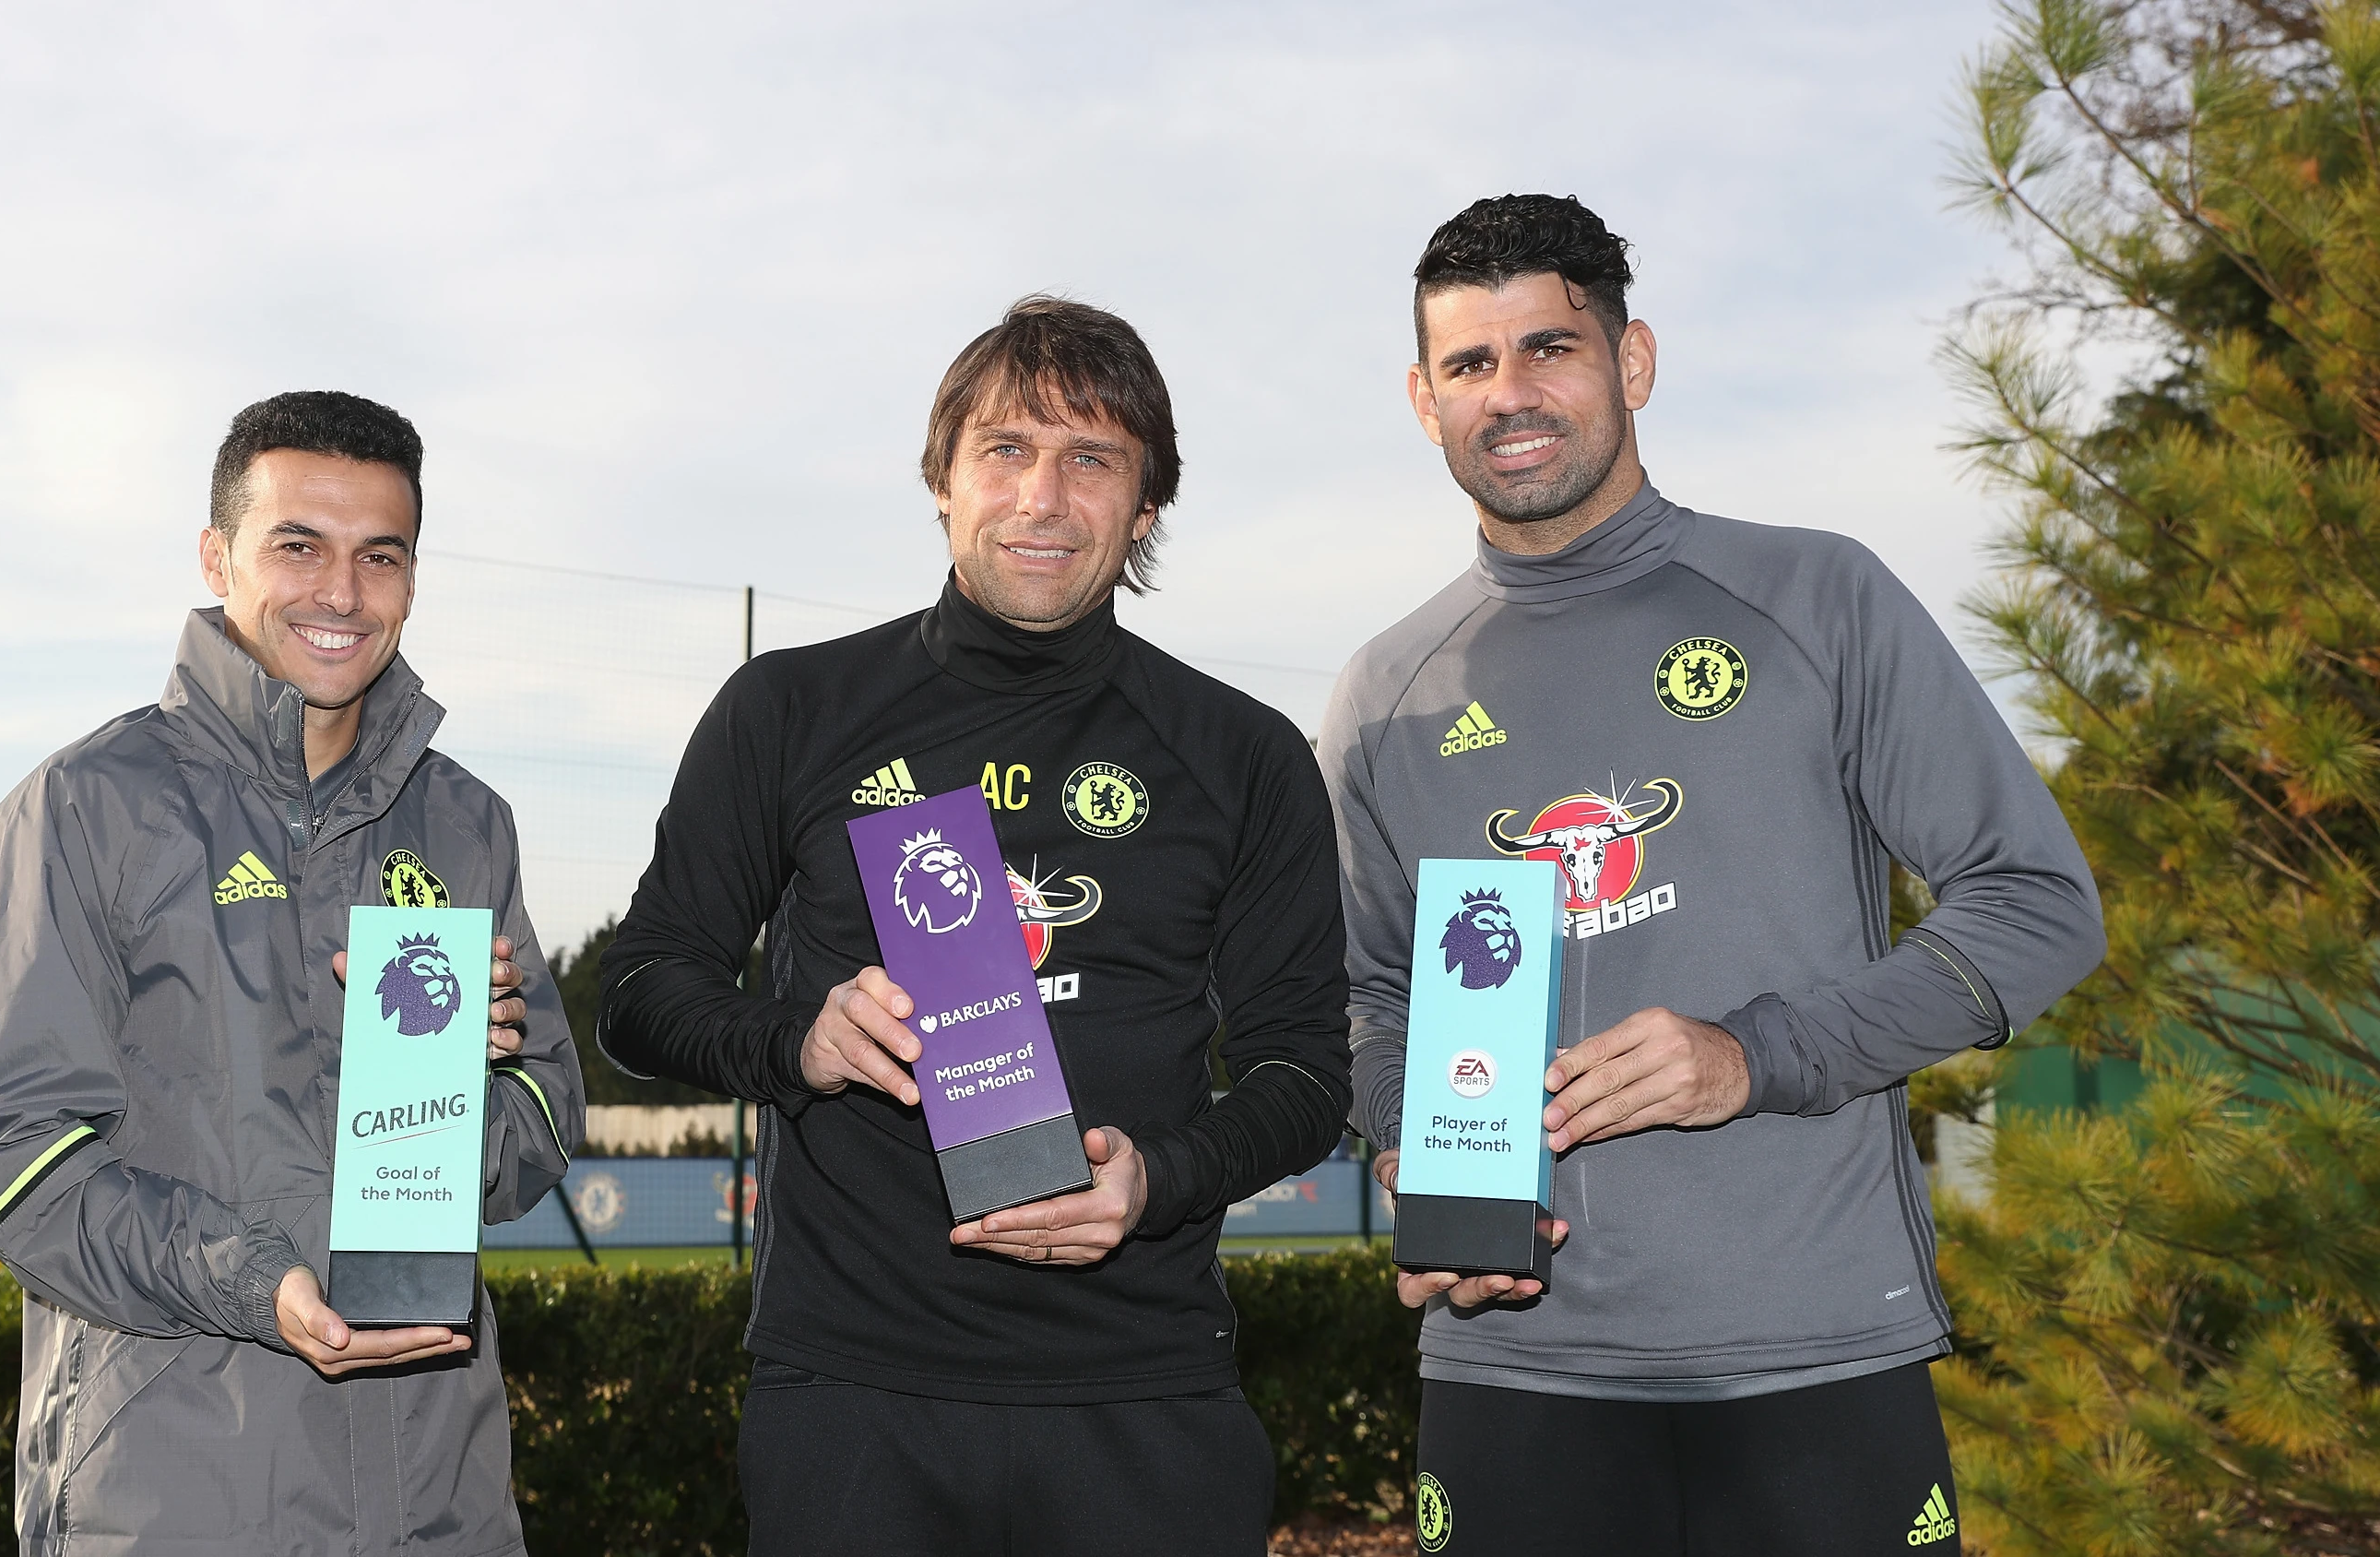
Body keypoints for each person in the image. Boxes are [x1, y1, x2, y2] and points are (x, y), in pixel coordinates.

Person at [1320, 196, 2105, 1556]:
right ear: (1422, 397)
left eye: (1549, 348)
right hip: (1515, 1372)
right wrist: (1406, 1148)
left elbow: (2037, 906)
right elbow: (1369, 993)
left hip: (1810, 1354)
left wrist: (1755, 1057)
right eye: (1469, 364)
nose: (1511, 395)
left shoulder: (1817, 598)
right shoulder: (1385, 694)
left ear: (1633, 363)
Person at [598, 296, 1350, 1555]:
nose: (1043, 497)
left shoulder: (1246, 755)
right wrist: (803, 1040)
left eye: (1092, 459)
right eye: (1005, 450)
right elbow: (642, 993)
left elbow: (1300, 1074)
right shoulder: (791, 708)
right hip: (855, 1397)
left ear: (1146, 507)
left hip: (1144, 1394)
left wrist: (1160, 1180)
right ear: (942, 483)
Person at [0, 390, 583, 1554]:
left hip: (442, 1496)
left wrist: (461, 1091)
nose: (341, 592)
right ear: (217, 555)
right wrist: (256, 1279)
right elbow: (16, 1167)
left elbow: (545, 1106)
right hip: (173, 1498)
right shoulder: (82, 808)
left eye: (378, 555)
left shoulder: (463, 821)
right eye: (299, 545)